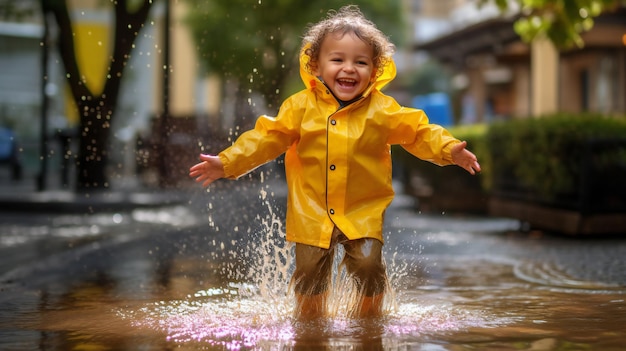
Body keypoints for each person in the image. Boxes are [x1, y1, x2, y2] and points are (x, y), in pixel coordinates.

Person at [189, 5, 481, 319]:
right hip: (311, 210)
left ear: (375, 69)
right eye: (337, 59)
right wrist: (227, 162)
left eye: (361, 62)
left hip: (362, 210)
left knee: (369, 266)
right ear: (316, 64)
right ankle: (310, 321)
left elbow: (419, 132)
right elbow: (266, 138)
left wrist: (449, 149)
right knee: (310, 271)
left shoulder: (382, 109)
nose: (349, 69)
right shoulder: (300, 107)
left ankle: (370, 320)